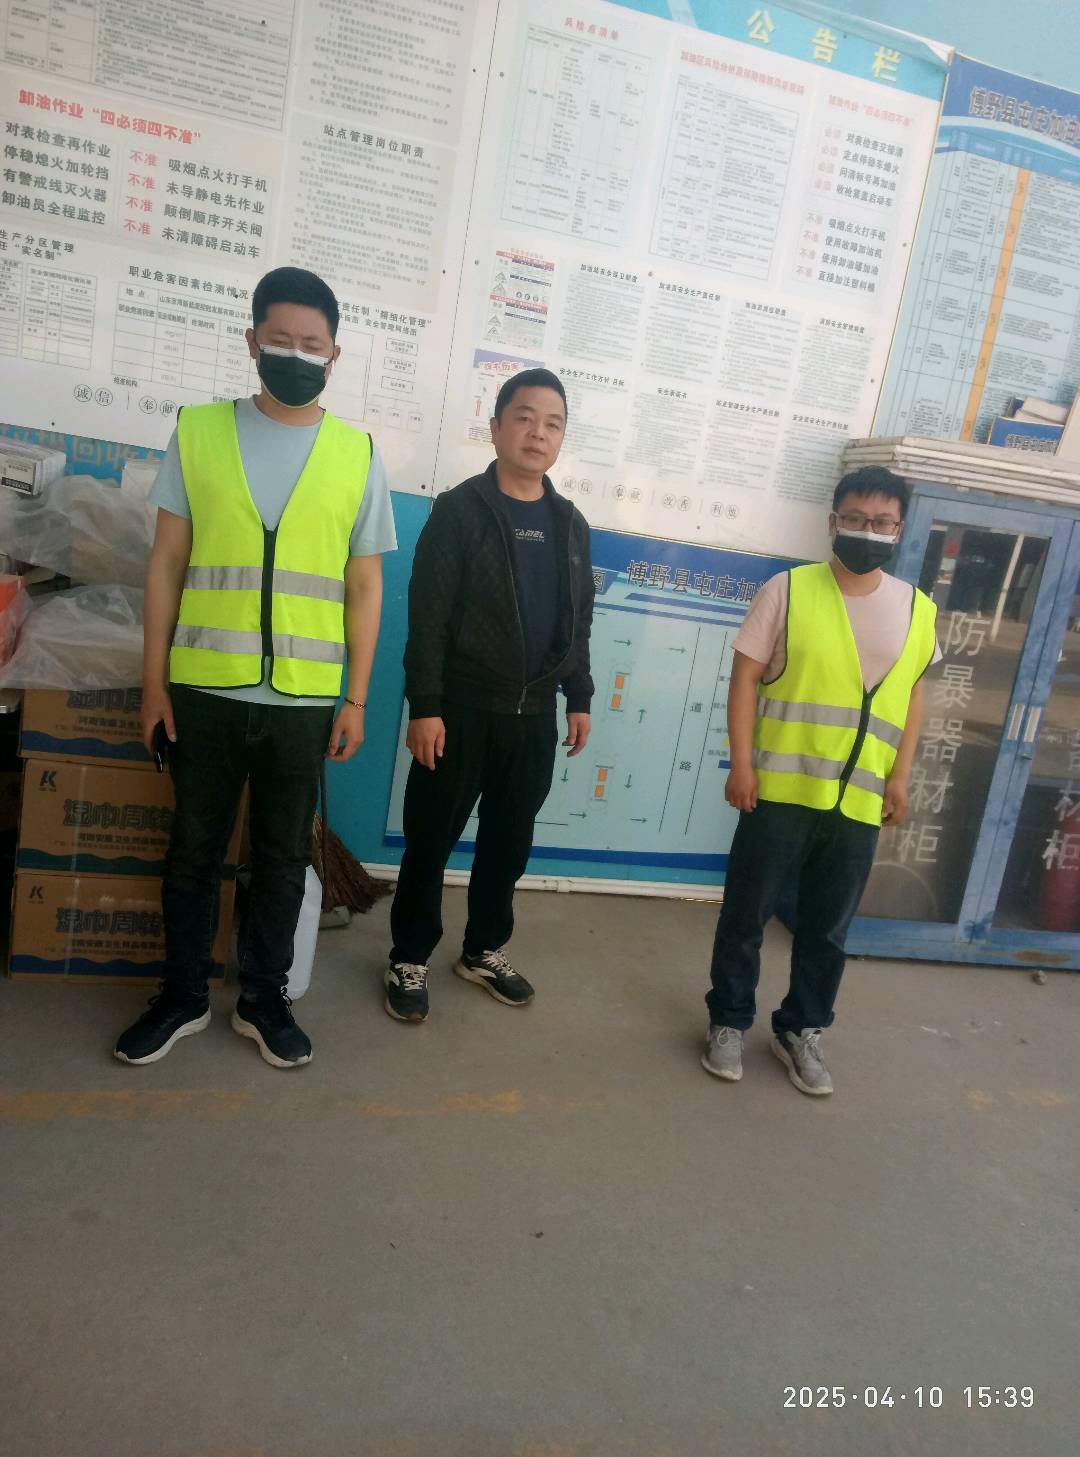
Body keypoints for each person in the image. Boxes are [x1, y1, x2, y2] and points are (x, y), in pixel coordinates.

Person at [114, 266, 396, 1069]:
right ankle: (181, 995)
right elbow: (166, 563)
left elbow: (365, 583)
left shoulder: (356, 453)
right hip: (203, 690)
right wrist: (154, 684)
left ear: (334, 354)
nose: (295, 354)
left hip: (302, 701)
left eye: (312, 343)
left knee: (281, 857)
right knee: (193, 849)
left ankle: (263, 998)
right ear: (251, 341)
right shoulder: (200, 432)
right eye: (280, 339)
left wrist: (357, 698)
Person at [702, 466, 939, 1095]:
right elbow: (745, 677)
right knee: (746, 915)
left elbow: (913, 696)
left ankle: (801, 1028)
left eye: (882, 522)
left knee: (828, 929)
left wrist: (900, 776)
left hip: (860, 798)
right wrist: (742, 763)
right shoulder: (788, 590)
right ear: (834, 522)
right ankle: (728, 1020)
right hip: (779, 789)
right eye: (856, 519)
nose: (868, 531)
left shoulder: (918, 609)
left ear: (899, 530)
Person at [385, 368, 594, 1022]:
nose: (538, 433)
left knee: (509, 843)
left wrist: (579, 695)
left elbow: (578, 619)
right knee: (430, 840)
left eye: (552, 423)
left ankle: (483, 948)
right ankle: (409, 955)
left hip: (533, 718)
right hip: (462, 711)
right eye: (525, 417)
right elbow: (428, 618)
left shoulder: (570, 524)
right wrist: (426, 706)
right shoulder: (460, 510)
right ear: (497, 425)